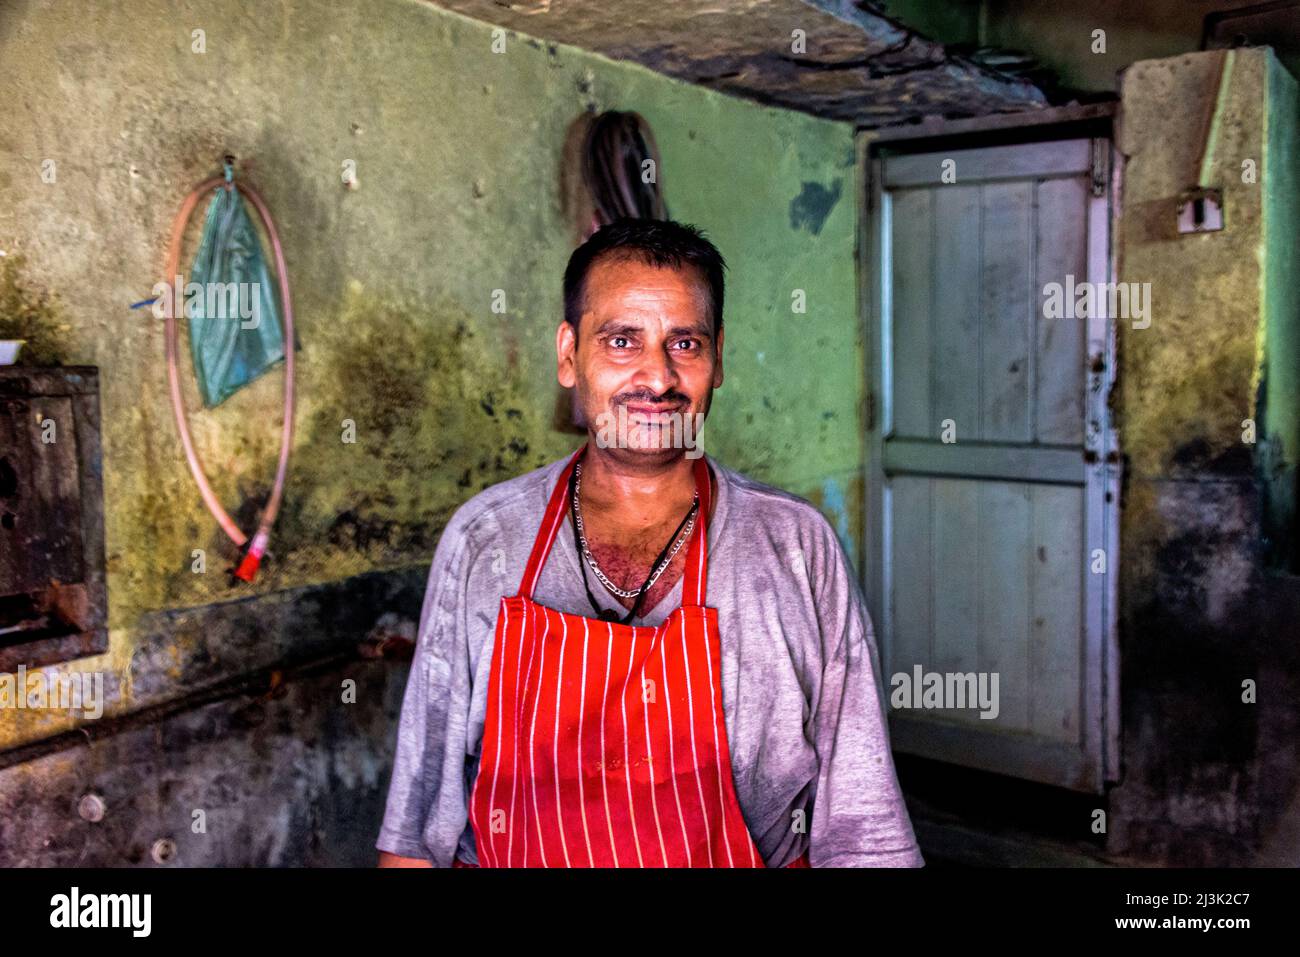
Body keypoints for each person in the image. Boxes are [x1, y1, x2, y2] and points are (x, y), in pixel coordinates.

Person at [376, 218, 923, 868]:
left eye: (684, 343)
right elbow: (417, 825)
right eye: (621, 341)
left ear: (717, 358)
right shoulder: (484, 539)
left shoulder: (796, 545)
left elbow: (863, 825)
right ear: (568, 352)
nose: (657, 376)